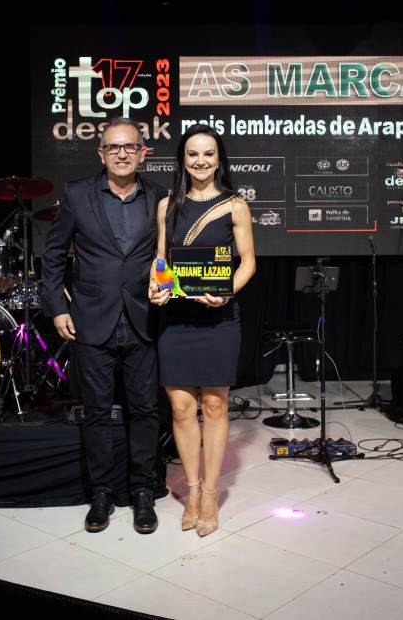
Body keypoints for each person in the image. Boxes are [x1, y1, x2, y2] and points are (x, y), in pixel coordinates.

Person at [42, 117, 167, 534]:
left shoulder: (160, 197)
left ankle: (143, 490)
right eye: (113, 147)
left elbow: (168, 255)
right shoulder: (77, 194)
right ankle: (101, 493)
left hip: (144, 319)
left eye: (130, 146)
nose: (122, 153)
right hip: (91, 321)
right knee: (96, 412)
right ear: (101, 153)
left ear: (142, 152)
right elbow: (53, 255)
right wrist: (58, 307)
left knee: (145, 410)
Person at [149, 124, 256, 537]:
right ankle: (191, 490)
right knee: (180, 408)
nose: (200, 161)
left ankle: (210, 493)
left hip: (218, 320)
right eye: (193, 154)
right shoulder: (167, 205)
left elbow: (248, 262)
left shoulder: (235, 205)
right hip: (176, 320)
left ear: (219, 159)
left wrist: (226, 291)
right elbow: (161, 260)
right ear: (182, 159)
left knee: (214, 405)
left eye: (208, 153)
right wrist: (156, 286)